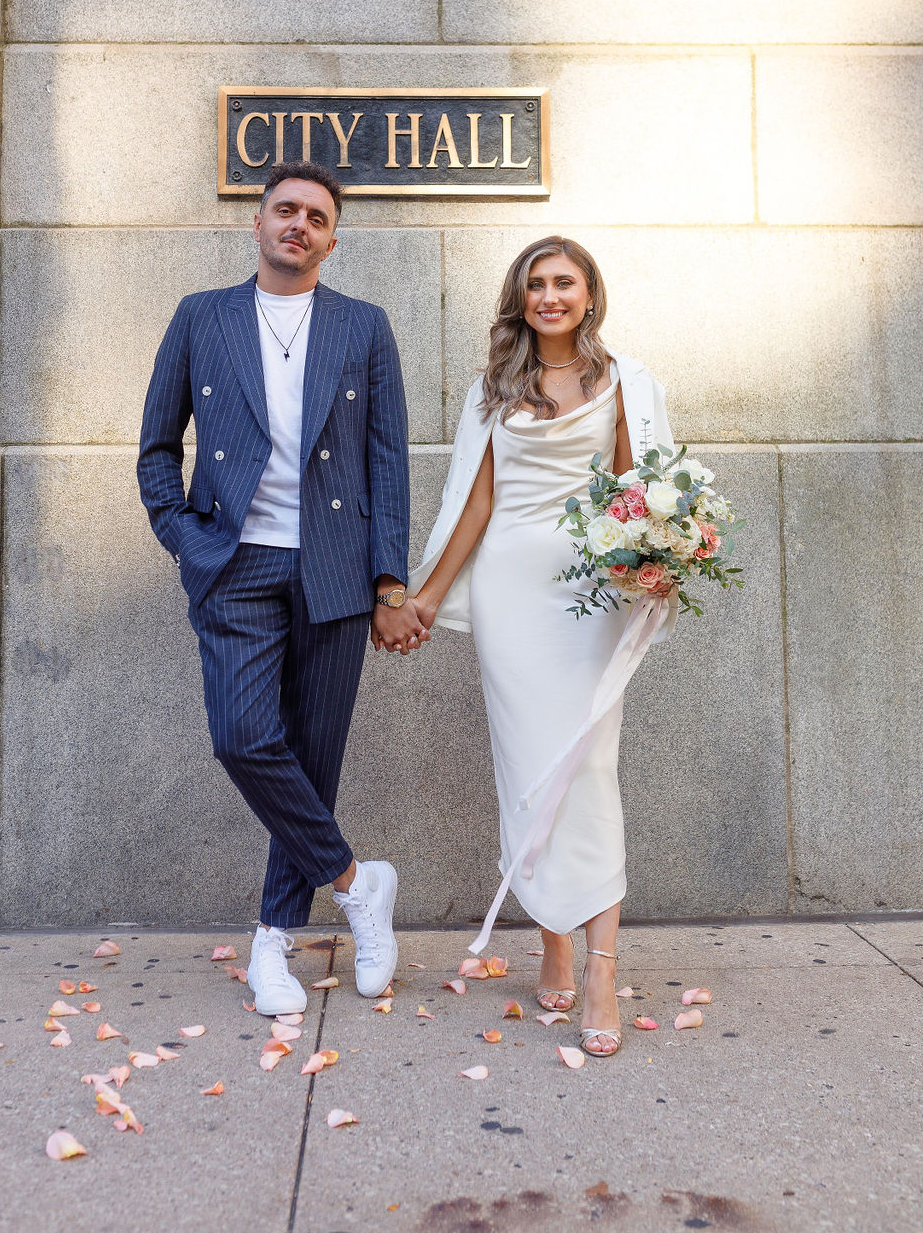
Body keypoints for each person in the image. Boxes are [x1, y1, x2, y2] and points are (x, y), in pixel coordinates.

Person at [137, 160, 430, 1017]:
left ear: (332, 238)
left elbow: (386, 459)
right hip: (236, 565)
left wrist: (389, 580)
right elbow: (157, 447)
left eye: (316, 216)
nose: (298, 224)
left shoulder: (364, 327)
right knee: (242, 737)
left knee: (312, 760)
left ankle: (273, 943)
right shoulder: (202, 317)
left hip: (334, 571)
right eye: (285, 209)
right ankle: (356, 881)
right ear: (257, 223)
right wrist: (186, 539)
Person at [408, 236, 676, 1057]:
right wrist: (423, 596)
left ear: (591, 293)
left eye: (564, 282)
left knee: (587, 765)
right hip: (510, 595)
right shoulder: (493, 389)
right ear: (520, 299)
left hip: (587, 596)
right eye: (535, 285)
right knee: (527, 772)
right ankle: (553, 940)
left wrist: (657, 561)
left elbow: (639, 492)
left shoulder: (628, 382)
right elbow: (476, 503)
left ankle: (600, 965)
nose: (549, 296)